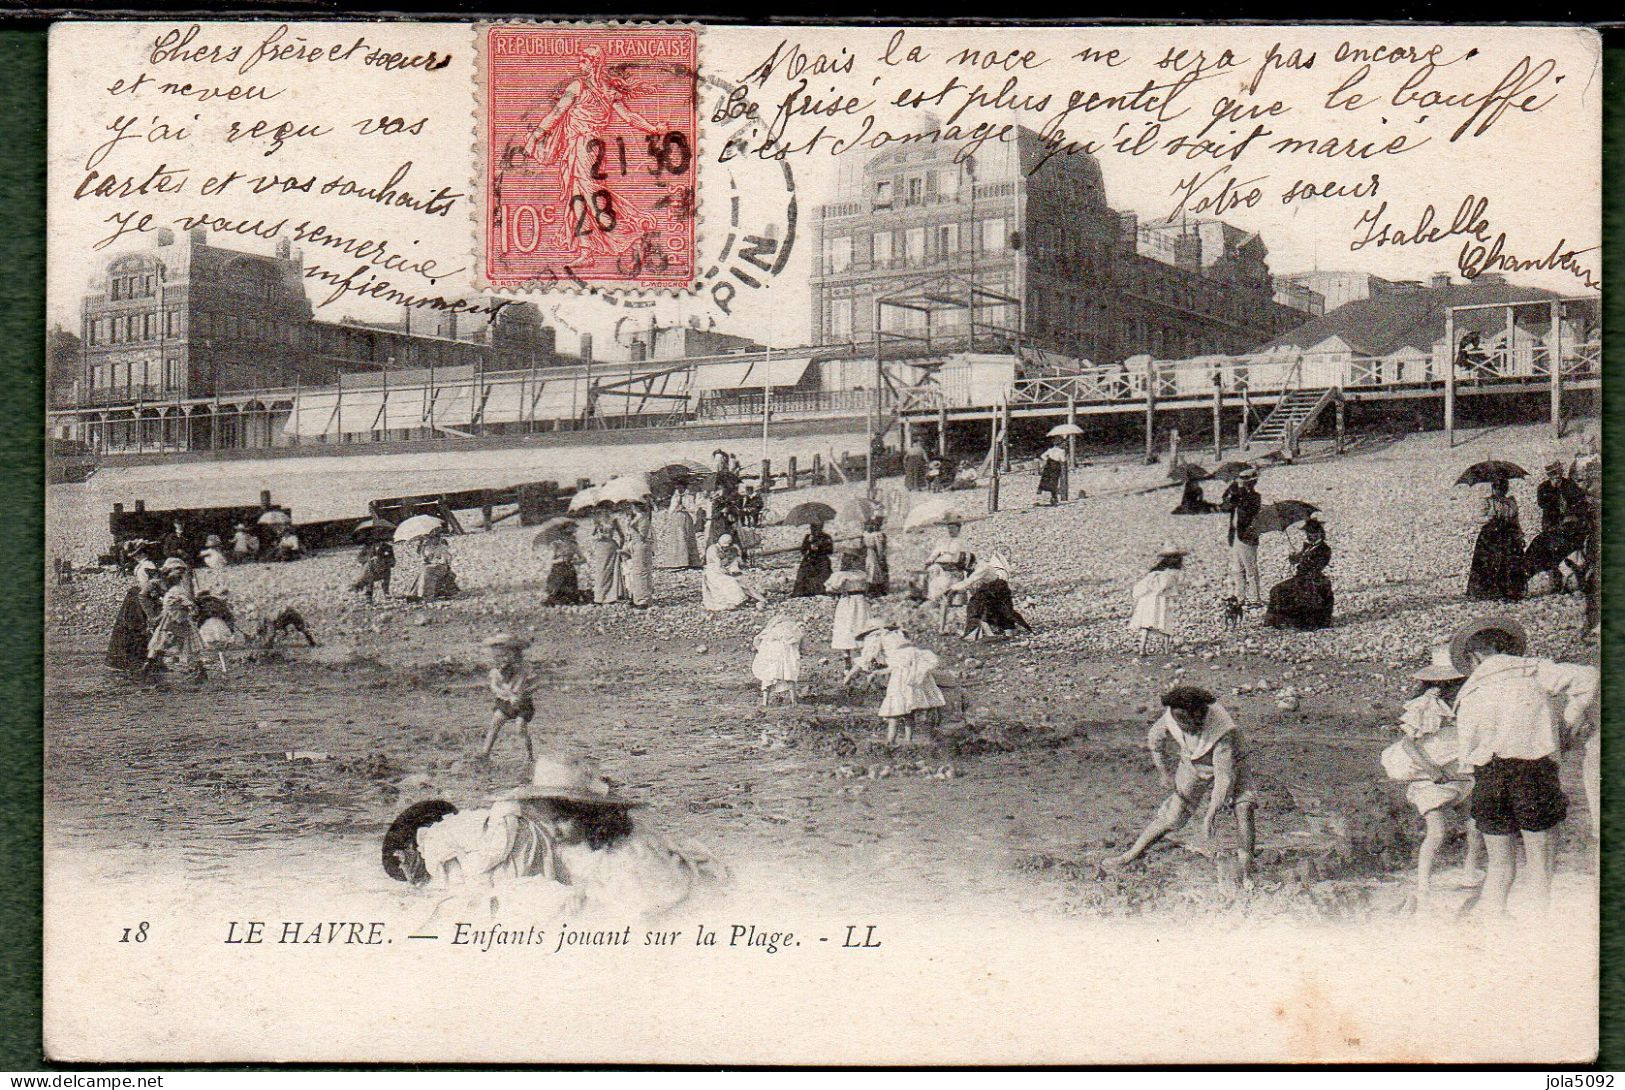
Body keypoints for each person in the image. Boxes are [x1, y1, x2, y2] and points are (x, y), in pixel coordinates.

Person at [385, 755, 727, 922]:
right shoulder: (578, 845)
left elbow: (648, 909)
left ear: (593, 817)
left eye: (561, 821)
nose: (553, 830)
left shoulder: (629, 854)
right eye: (548, 820)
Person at [1450, 617, 1598, 916]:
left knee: (1500, 865)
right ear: (1506, 646)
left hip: (1488, 774)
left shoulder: (1469, 691)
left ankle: (1495, 927)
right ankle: (1537, 929)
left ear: (1476, 655)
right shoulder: (1533, 670)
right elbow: (1589, 678)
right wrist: (1566, 726)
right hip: (1532, 770)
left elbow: (1466, 753)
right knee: (1540, 862)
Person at [1105, 687, 1257, 884]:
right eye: (1183, 725)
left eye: (1193, 725)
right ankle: (1129, 855)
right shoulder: (1172, 714)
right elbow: (1155, 740)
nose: (1188, 729)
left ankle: (1246, 872)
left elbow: (1223, 779)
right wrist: (1163, 773)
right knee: (1173, 814)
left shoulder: (1222, 732)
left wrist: (1210, 815)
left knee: (1244, 808)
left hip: (1234, 760)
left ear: (1200, 716)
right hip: (1193, 760)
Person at [1380, 645, 1484, 909]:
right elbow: (1408, 745)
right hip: (1430, 779)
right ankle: (1423, 883)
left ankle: (1470, 872)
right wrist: (1432, 770)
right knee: (1437, 831)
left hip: (1459, 774)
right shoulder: (1425, 705)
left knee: (1476, 824)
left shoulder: (1466, 704)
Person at [875, 629, 944, 747]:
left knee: (893, 715)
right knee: (909, 713)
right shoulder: (917, 653)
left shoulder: (897, 655)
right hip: (910, 688)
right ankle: (908, 740)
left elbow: (891, 668)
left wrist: (876, 673)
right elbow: (932, 663)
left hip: (898, 688)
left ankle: (891, 739)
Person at [1263, 518, 1335, 630]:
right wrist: (1294, 558)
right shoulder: (1308, 547)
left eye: (1313, 533)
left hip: (1312, 580)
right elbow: (1299, 559)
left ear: (1320, 533)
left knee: (1288, 592)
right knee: (1276, 589)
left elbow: (1318, 566)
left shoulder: (1324, 549)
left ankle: (1295, 621)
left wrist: (1305, 561)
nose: (1310, 536)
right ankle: (1276, 620)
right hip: (1302, 578)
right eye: (1308, 533)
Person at [952, 544, 1032, 641]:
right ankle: (975, 633)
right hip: (988, 589)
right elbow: (968, 586)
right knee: (977, 607)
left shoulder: (982, 567)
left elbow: (968, 582)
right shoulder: (968, 571)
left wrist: (950, 590)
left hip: (998, 588)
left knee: (1003, 611)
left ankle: (1006, 630)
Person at [481, 634, 538, 764]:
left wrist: (525, 693)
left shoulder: (526, 668)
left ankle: (529, 756)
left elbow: (536, 683)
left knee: (520, 728)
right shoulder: (498, 669)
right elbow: (494, 686)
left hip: (522, 703)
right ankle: (485, 754)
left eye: (515, 652)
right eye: (507, 653)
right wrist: (507, 694)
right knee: (495, 724)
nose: (511, 656)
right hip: (505, 702)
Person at [1466, 477, 1525, 601]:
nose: (1500, 491)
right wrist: (1488, 518)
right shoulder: (1487, 502)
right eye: (1497, 488)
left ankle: (1510, 590)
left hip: (1508, 535)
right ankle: (1486, 590)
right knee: (1489, 562)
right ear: (1493, 488)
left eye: (1503, 488)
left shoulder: (1510, 502)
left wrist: (1519, 535)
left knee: (1509, 561)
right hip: (1490, 536)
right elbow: (1477, 518)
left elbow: (1515, 521)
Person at [146, 573, 207, 682]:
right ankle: (153, 667)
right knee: (184, 645)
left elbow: (184, 603)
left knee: (161, 642)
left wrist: (180, 609)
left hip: (174, 620)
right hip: (175, 619)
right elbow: (188, 604)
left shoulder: (175, 591)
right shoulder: (177, 590)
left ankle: (152, 668)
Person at [1130, 544, 1186, 656]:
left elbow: (1145, 584)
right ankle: (1166, 649)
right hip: (1163, 599)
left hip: (1148, 598)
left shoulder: (1155, 571)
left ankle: (1142, 649)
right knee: (1166, 622)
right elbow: (1177, 587)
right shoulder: (1175, 572)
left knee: (1146, 623)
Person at [1220, 468, 1262, 606]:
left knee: (1250, 569)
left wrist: (1239, 496)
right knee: (1237, 569)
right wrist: (1230, 490)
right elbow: (1225, 505)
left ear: (1253, 483)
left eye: (1246, 482)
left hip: (1247, 536)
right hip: (1235, 535)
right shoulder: (1238, 495)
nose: (1243, 484)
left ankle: (1255, 598)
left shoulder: (1255, 497)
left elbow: (1246, 514)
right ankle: (1240, 597)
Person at [107, 574, 163, 675]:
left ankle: (142, 663)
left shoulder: (142, 590)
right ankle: (135, 664)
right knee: (136, 632)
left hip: (136, 606)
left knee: (136, 633)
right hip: (135, 611)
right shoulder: (139, 594)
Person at [923, 519, 970, 636]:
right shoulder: (942, 542)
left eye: (953, 529)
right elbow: (934, 553)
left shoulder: (962, 542)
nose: (951, 531)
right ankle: (942, 628)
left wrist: (962, 564)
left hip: (956, 573)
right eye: (949, 529)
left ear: (959, 529)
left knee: (958, 602)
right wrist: (930, 559)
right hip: (944, 574)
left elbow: (968, 557)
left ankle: (963, 626)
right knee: (944, 600)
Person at [826, 552, 872, 665]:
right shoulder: (862, 575)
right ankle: (864, 656)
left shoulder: (841, 575)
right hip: (861, 602)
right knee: (861, 624)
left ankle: (848, 659)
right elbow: (867, 588)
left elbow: (830, 588)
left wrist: (838, 591)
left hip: (848, 601)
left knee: (846, 627)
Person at [701, 533, 766, 612]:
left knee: (740, 581)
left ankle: (743, 599)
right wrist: (727, 571)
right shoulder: (713, 549)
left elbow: (727, 562)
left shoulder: (723, 549)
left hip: (720, 571)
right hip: (712, 572)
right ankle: (733, 601)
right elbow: (718, 564)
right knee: (730, 582)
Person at [751, 615, 804, 706]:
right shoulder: (793, 630)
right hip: (784, 655)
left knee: (769, 676)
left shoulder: (771, 631)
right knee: (789, 674)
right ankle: (794, 702)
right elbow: (800, 644)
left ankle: (765, 702)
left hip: (773, 655)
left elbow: (759, 642)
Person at [586, 509, 625, 605]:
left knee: (603, 572)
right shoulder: (612, 520)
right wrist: (620, 547)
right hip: (608, 546)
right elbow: (622, 536)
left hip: (603, 547)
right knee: (606, 572)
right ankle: (607, 596)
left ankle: (602, 597)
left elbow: (592, 535)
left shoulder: (598, 519)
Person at [620, 503, 654, 609]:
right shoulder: (637, 517)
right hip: (636, 545)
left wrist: (633, 527)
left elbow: (643, 536)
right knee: (636, 572)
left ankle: (643, 600)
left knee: (642, 572)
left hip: (641, 545)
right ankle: (637, 598)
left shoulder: (643, 517)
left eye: (633, 506)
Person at [543, 526, 587, 605]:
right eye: (566, 534)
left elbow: (583, 559)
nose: (568, 536)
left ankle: (569, 596)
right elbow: (550, 560)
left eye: (570, 534)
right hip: (558, 568)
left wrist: (574, 562)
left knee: (571, 595)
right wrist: (561, 560)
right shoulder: (556, 545)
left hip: (569, 568)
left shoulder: (574, 545)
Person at [790, 520, 835, 597]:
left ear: (821, 528)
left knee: (823, 574)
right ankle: (804, 591)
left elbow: (830, 551)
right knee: (804, 574)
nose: (814, 530)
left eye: (816, 528)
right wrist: (808, 545)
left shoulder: (826, 537)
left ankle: (820, 591)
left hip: (821, 560)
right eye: (812, 528)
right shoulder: (808, 537)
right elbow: (803, 551)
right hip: (809, 559)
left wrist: (820, 547)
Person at [655, 492, 698, 571]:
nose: (680, 489)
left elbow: (694, 508)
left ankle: (689, 562)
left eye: (681, 487)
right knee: (676, 539)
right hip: (676, 518)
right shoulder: (675, 497)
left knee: (685, 538)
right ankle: (676, 562)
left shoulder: (689, 497)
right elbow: (671, 510)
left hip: (685, 517)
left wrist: (685, 508)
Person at [412, 531, 460, 601]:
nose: (434, 540)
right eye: (431, 538)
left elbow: (445, 560)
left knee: (428, 572)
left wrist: (435, 561)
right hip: (430, 566)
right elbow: (423, 559)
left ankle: (428, 595)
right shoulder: (427, 548)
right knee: (423, 572)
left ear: (439, 538)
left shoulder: (443, 547)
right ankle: (418, 593)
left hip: (441, 567)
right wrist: (423, 554)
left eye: (436, 537)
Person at [352, 537, 395, 602]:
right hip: (371, 570)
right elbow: (360, 558)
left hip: (383, 570)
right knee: (368, 569)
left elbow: (393, 561)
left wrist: (383, 560)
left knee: (387, 570)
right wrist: (370, 559)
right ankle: (368, 594)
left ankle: (386, 593)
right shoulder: (367, 547)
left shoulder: (388, 547)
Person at [861, 516, 890, 597]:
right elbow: (879, 548)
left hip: (869, 553)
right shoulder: (875, 534)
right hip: (872, 553)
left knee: (871, 569)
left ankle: (873, 588)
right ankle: (875, 589)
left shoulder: (867, 534)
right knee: (874, 569)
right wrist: (880, 556)